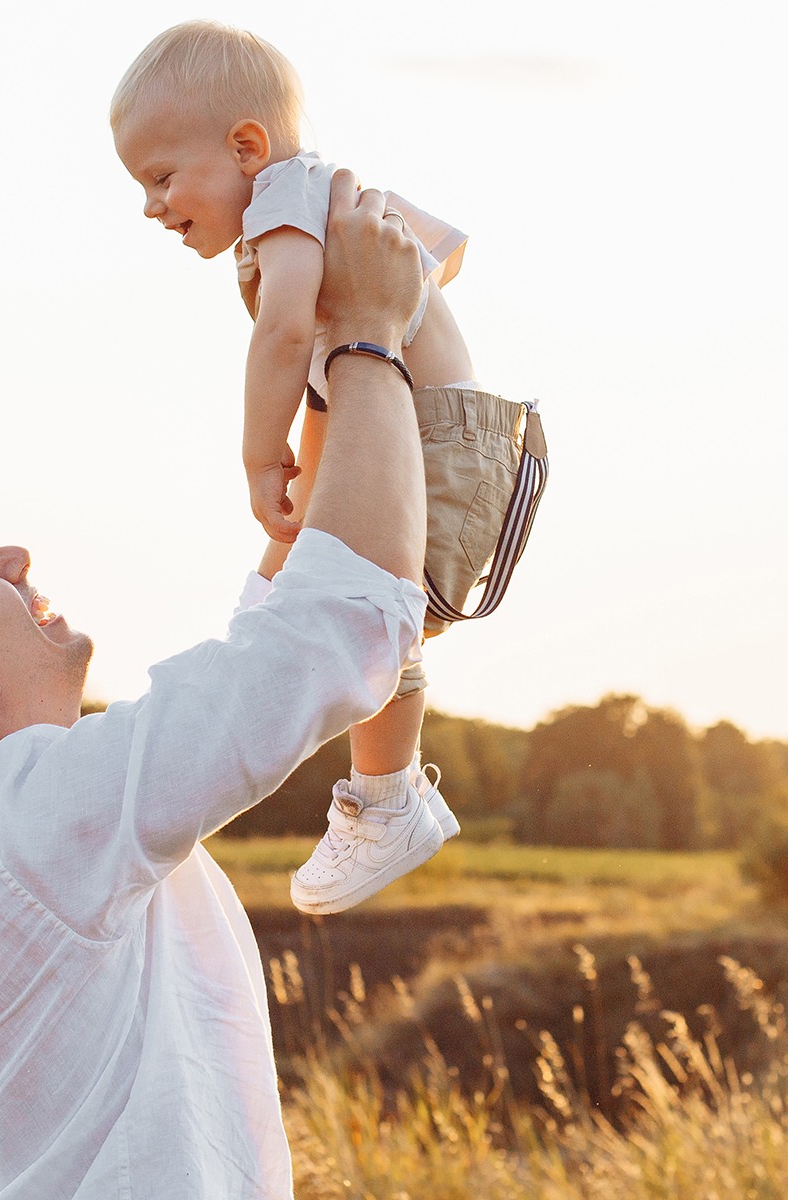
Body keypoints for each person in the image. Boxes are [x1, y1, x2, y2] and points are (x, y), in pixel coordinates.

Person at [0, 173, 433, 1198]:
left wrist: (325, 369)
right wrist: (375, 334)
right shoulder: (20, 822)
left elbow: (277, 634)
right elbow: (326, 639)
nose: (16, 556)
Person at [111, 20, 547, 913]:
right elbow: (446, 246)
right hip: (421, 426)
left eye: (163, 177)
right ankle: (363, 768)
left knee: (370, 609)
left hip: (426, 441)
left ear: (246, 146)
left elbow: (279, 335)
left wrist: (256, 453)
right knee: (344, 606)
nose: (153, 206)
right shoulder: (330, 196)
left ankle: (388, 800)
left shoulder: (283, 205)